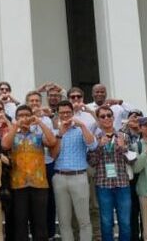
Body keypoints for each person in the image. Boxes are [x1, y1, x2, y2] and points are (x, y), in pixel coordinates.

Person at [2, 104, 57, 241]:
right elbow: (5, 145)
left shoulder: (38, 135)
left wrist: (39, 122)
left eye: (27, 115)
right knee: (20, 223)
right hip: (18, 185)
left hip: (39, 185)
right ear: (16, 118)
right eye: (21, 116)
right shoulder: (12, 134)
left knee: (40, 224)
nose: (24, 118)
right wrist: (15, 126)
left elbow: (52, 141)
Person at [50, 100, 97, 241]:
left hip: (79, 176)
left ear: (72, 113)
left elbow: (93, 145)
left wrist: (82, 125)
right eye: (62, 113)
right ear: (58, 114)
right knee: (64, 221)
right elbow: (52, 155)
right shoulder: (54, 132)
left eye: (68, 112)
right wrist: (60, 134)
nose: (65, 115)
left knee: (84, 219)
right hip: (59, 177)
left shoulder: (81, 129)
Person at [88, 106, 133, 241]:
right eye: (103, 116)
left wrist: (123, 148)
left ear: (113, 118)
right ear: (98, 120)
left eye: (109, 115)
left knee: (125, 222)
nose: (106, 118)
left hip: (122, 184)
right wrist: (99, 147)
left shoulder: (124, 136)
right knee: (106, 223)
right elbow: (92, 162)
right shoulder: (94, 138)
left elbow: (132, 161)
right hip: (103, 185)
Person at [120, 110, 145, 241]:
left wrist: (142, 127)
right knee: (132, 212)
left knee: (145, 213)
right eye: (133, 117)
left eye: (139, 117)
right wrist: (126, 126)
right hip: (129, 178)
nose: (136, 119)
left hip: (145, 176)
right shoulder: (123, 134)